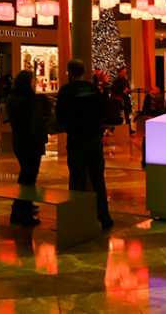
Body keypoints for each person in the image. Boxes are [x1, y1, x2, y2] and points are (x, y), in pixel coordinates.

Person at [56, 59, 113, 230]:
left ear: (69, 72)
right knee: (98, 180)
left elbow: (60, 115)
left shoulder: (66, 91)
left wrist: (70, 128)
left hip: (76, 140)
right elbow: (103, 112)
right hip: (94, 140)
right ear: (83, 71)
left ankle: (77, 217)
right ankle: (104, 216)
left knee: (76, 179)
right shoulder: (92, 89)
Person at [7, 70, 51, 226]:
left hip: (20, 142)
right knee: (28, 177)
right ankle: (21, 212)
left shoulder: (13, 98)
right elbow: (36, 121)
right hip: (31, 142)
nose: (34, 83)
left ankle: (24, 206)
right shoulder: (30, 100)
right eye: (32, 80)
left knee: (26, 174)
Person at [111, 67, 133, 134]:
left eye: (125, 72)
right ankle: (114, 129)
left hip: (126, 100)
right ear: (120, 72)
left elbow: (128, 89)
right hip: (119, 100)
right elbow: (114, 90)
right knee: (119, 115)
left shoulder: (125, 80)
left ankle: (129, 129)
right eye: (123, 72)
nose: (124, 73)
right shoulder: (116, 81)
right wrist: (123, 91)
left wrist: (128, 91)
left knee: (127, 116)